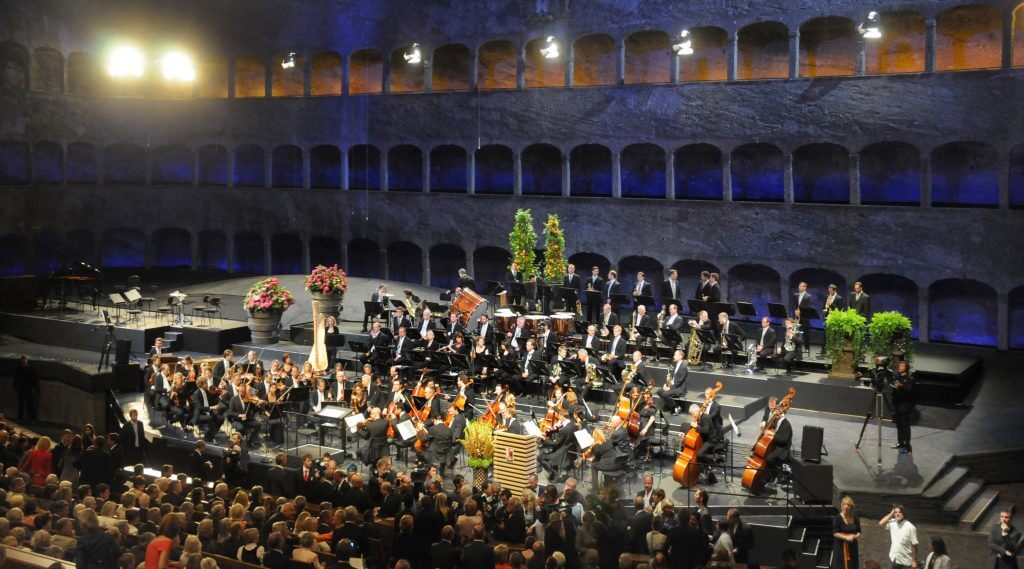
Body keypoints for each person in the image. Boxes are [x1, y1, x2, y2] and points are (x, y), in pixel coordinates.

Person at [878, 505, 918, 569]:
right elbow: (880, 524)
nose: (897, 514)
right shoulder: (893, 522)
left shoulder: (910, 527)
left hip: (905, 561)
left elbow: (914, 545)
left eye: (899, 512)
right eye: (895, 512)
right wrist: (891, 514)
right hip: (894, 558)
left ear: (903, 513)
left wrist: (914, 560)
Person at [891, 360, 915, 454]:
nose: (900, 367)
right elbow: (894, 391)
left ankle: (907, 447)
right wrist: (894, 387)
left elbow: (908, 392)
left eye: (902, 366)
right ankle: (900, 443)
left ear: (906, 368)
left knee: (905, 427)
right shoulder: (896, 377)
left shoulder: (909, 379)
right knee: (898, 426)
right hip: (897, 405)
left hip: (905, 407)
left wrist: (900, 387)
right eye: (899, 365)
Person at [832, 496, 861, 569]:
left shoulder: (856, 518)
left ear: (852, 507)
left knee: (852, 565)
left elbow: (859, 532)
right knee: (841, 565)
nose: (846, 506)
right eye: (844, 504)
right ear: (842, 506)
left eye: (848, 505)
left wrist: (854, 537)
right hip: (841, 547)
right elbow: (835, 533)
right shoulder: (837, 518)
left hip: (852, 545)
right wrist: (846, 538)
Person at [14, 354, 39, 421]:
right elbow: (34, 379)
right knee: (24, 404)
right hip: (25, 388)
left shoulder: (22, 368)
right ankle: (28, 418)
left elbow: (34, 379)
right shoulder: (29, 368)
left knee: (28, 404)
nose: (23, 360)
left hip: (26, 388)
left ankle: (28, 418)